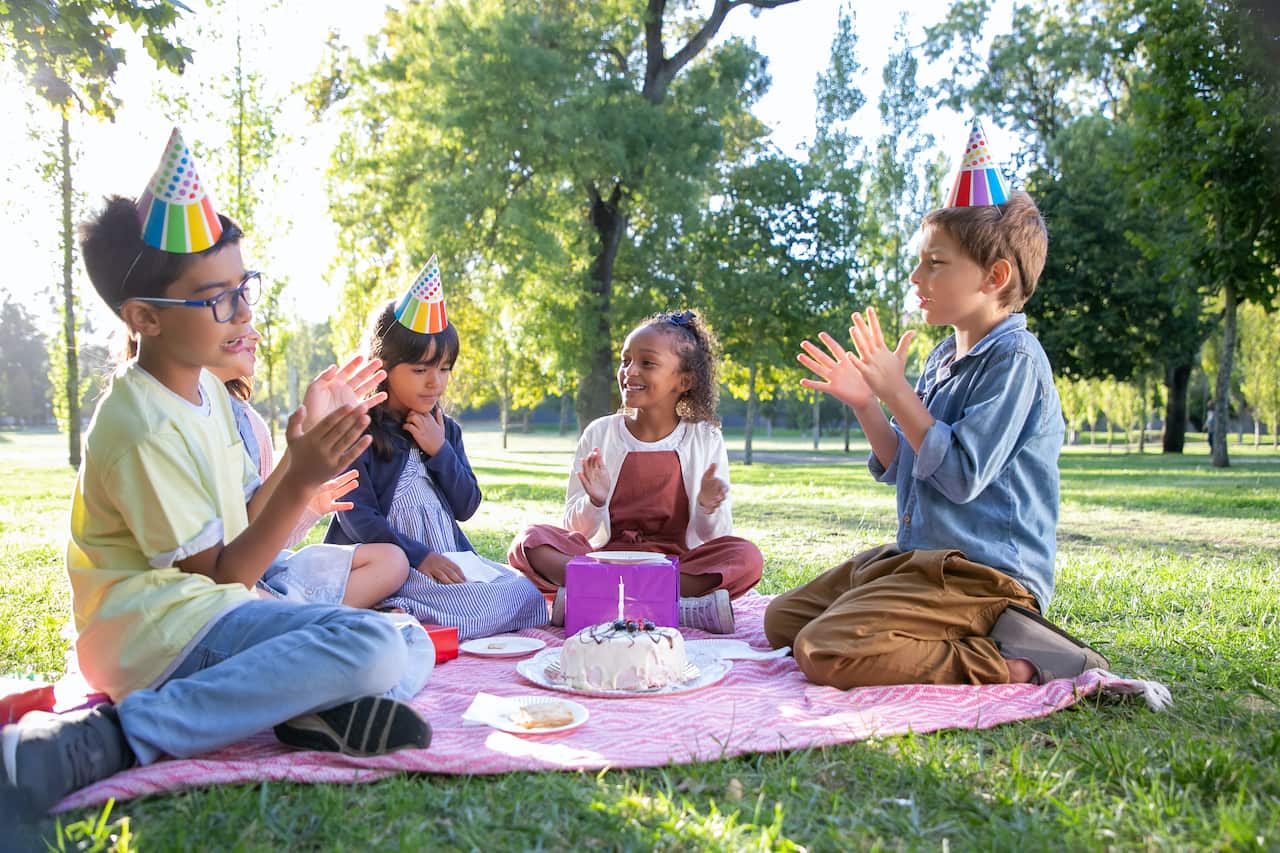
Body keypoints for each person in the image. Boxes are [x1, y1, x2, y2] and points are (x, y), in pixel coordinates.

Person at [0, 130, 433, 819]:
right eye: (217, 298)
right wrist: (297, 478)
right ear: (145, 318)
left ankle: (306, 706)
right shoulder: (140, 423)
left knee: (407, 638)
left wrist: (296, 453)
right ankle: (116, 736)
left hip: (214, 614)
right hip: (154, 635)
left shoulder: (203, 392)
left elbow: (242, 518)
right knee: (375, 645)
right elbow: (220, 571)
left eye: (243, 288)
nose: (241, 311)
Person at [768, 121, 1108, 688]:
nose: (915, 276)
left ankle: (1013, 659)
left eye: (936, 263)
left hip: (983, 576)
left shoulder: (1016, 361)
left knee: (822, 650)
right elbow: (908, 462)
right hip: (919, 560)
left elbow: (959, 474)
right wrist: (869, 404)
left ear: (995, 276)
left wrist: (897, 392)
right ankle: (950, 629)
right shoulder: (941, 358)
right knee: (783, 621)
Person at [325, 258, 548, 640]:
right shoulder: (357, 430)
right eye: (420, 370)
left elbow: (467, 505)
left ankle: (413, 617)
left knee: (526, 596)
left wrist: (439, 449)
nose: (435, 383)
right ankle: (393, 609)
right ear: (383, 367)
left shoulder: (447, 431)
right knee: (470, 610)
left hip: (451, 562)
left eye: (444, 369)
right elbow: (357, 518)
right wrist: (421, 557)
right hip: (394, 563)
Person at [508, 310, 763, 635]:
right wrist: (596, 501)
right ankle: (675, 605)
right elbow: (574, 529)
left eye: (647, 363)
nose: (630, 371)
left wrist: (707, 507)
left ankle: (595, 599)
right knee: (529, 541)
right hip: (605, 559)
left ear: (684, 381)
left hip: (675, 565)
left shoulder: (704, 438)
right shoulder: (600, 434)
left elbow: (716, 536)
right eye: (625, 361)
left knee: (746, 557)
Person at [210, 326, 410, 607]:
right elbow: (219, 575)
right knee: (246, 600)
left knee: (392, 560)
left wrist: (308, 506)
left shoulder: (250, 424)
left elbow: (258, 528)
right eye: (233, 315)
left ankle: (299, 616)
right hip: (221, 585)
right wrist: (298, 486)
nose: (254, 334)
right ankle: (305, 619)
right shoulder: (169, 420)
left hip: (264, 571)